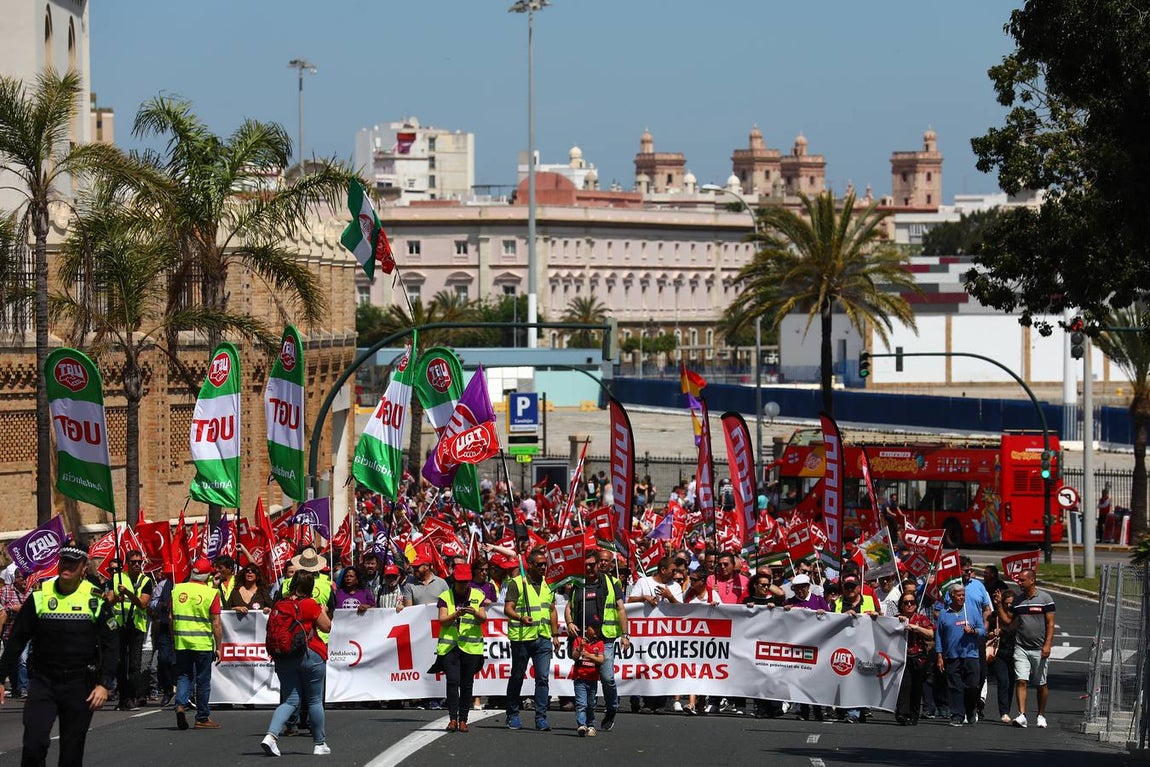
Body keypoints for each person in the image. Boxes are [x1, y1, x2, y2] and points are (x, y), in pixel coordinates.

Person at [0, 546, 118, 766]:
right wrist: (0, 677)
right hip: (43, 682)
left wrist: (104, 684)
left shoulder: (96, 600)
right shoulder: (39, 598)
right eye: (64, 561)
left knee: (71, 752)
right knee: (34, 744)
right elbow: (16, 640)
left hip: (80, 684)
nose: (67, 567)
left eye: (74, 563)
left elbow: (112, 645)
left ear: (84, 568)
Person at [260, 570, 333, 757]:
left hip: (284, 657)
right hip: (311, 655)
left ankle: (271, 736)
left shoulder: (280, 603)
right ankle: (319, 743)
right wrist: (323, 611)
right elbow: (326, 627)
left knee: (290, 700)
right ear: (310, 587)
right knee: (315, 700)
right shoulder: (310, 604)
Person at [565, 550, 631, 732]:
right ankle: (585, 718)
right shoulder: (578, 584)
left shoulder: (611, 583)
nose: (591, 567)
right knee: (583, 675)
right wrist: (569, 622)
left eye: (593, 564)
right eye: (587, 564)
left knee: (607, 677)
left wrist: (625, 635)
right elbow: (569, 608)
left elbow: (621, 609)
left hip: (606, 637)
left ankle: (611, 708)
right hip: (583, 638)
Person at [503, 547, 560, 731]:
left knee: (543, 678)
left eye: (545, 564)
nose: (544, 567)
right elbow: (508, 608)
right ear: (530, 565)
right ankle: (512, 714)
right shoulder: (517, 583)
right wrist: (520, 618)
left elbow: (551, 610)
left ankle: (541, 717)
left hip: (543, 638)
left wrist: (555, 634)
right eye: (540, 564)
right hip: (522, 639)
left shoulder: (548, 585)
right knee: (518, 676)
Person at [995, 567, 1055, 729]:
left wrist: (1047, 645)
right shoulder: (1018, 601)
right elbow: (1008, 622)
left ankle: (1041, 715)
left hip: (1039, 648)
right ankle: (1022, 715)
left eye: (1022, 580)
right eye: (1018, 580)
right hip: (1021, 647)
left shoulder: (1045, 599)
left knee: (1040, 683)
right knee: (1021, 680)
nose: (1019, 583)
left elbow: (1050, 623)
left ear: (1032, 580)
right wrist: (999, 605)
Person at [436, 563, 490, 733]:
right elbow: (442, 620)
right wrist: (456, 614)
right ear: (454, 580)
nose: (462, 585)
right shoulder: (445, 596)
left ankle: (463, 720)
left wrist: (474, 611)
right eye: (459, 582)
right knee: (453, 682)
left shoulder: (477, 595)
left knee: (467, 684)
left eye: (465, 582)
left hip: (471, 647)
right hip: (450, 647)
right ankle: (452, 718)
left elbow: (483, 619)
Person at [171, 557, 223, 730]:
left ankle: (180, 704)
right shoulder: (211, 593)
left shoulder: (177, 589)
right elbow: (216, 623)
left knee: (184, 675)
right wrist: (219, 647)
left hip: (182, 642)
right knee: (203, 681)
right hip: (202, 644)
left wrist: (174, 638)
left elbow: (172, 617)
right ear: (208, 576)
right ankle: (202, 717)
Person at [107, 549, 153, 711]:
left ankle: (133, 696)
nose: (136, 565)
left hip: (136, 627)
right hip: (120, 626)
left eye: (139, 562)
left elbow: (143, 603)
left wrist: (127, 593)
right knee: (119, 663)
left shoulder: (146, 581)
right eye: (133, 562)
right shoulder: (117, 578)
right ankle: (124, 698)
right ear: (127, 563)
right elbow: (110, 601)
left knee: (134, 665)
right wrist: (116, 598)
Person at [935, 582, 985, 726]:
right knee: (955, 687)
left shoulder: (972, 611)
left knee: (972, 686)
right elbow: (938, 636)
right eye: (959, 595)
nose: (962, 597)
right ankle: (957, 714)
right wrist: (939, 655)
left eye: (963, 595)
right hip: (952, 656)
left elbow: (983, 631)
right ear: (951, 596)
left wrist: (973, 631)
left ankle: (970, 710)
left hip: (971, 654)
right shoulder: (944, 614)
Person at [894, 591, 934, 725]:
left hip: (918, 658)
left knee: (916, 687)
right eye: (906, 603)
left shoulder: (921, 619)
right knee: (904, 686)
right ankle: (902, 713)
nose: (909, 605)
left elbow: (930, 634)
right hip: (901, 657)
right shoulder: (896, 618)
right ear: (901, 605)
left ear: (916, 605)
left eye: (912, 602)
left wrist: (916, 628)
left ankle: (913, 714)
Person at [987, 586, 1018, 723]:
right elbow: (986, 633)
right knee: (1003, 681)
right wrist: (993, 633)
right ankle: (1003, 711)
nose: (1009, 606)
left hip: (1014, 652)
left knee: (1011, 682)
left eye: (1012, 603)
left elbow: (1011, 626)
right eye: (1007, 604)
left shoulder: (1017, 616)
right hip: (999, 652)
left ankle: (1007, 709)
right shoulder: (995, 617)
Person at [148, 567, 177, 708]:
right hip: (165, 627)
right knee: (163, 659)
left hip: (183, 628)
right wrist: (162, 604)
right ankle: (167, 689)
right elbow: (152, 603)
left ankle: (187, 692)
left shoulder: (187, 585)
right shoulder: (162, 585)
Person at [571, 622, 605, 737]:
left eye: (598, 628)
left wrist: (589, 655)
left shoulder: (599, 643)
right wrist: (580, 648)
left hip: (592, 677)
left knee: (591, 704)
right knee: (581, 703)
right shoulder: (578, 640)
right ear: (586, 629)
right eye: (594, 628)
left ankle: (591, 725)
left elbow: (600, 660)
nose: (596, 630)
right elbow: (574, 657)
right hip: (580, 677)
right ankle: (581, 724)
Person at [1, 568, 30, 698]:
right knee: (12, 661)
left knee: (23, 659)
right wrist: (11, 608)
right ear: (15, 578)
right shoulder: (5, 591)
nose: (23, 580)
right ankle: (16, 687)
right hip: (9, 631)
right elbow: (1, 608)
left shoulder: (31, 592)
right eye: (20, 577)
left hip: (26, 632)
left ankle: (24, 688)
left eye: (25, 577)